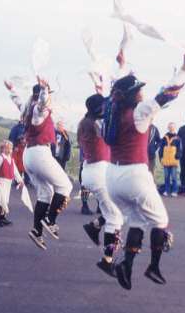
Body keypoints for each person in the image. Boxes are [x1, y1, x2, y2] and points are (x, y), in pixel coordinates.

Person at [103, 51, 185, 290]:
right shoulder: (140, 112)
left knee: (136, 221)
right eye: (139, 89)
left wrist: (120, 65)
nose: (143, 91)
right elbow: (168, 94)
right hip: (135, 175)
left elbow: (118, 87)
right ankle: (153, 266)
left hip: (112, 176)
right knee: (160, 221)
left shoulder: (114, 111)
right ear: (134, 95)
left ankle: (127, 265)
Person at [5, 78, 73, 250]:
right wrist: (44, 89)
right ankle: (50, 220)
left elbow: (18, 101)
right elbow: (43, 103)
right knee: (65, 186)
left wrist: (12, 89)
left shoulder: (28, 109)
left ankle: (37, 230)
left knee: (45, 193)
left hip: (30, 154)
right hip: (40, 153)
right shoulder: (38, 110)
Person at [78, 93, 124, 277]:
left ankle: (95, 225)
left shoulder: (85, 122)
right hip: (99, 171)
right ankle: (107, 261)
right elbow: (111, 134)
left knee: (115, 209)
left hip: (90, 169)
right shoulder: (96, 124)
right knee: (115, 218)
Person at [0, 140, 24, 227]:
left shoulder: (11, 159)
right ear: (3, 149)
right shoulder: (0, 158)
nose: (10, 150)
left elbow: (15, 171)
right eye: (7, 148)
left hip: (8, 182)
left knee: (6, 199)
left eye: (10, 148)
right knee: (1, 199)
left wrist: (20, 180)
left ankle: (3, 217)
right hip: (2, 181)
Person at [159, 122, 182, 197]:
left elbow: (180, 149)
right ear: (168, 127)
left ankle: (174, 191)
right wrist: (161, 157)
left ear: (174, 128)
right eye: (170, 127)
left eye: (172, 127)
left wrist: (177, 156)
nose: (171, 128)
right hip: (165, 160)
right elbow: (161, 148)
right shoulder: (164, 137)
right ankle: (166, 190)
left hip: (173, 161)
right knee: (166, 176)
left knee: (174, 177)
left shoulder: (178, 138)